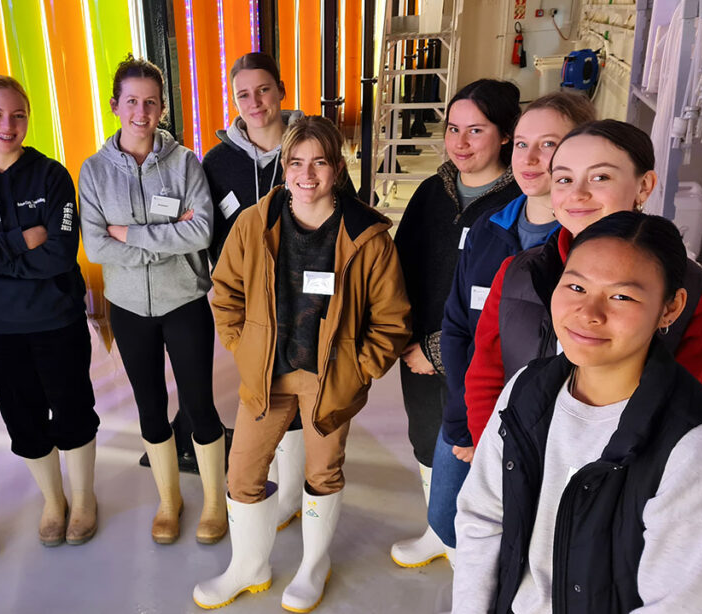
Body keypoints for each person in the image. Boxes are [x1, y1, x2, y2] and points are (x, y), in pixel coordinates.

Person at [453, 211, 702, 613]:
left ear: (671, 308)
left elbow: (680, 603)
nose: (588, 312)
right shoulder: (527, 389)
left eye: (622, 296)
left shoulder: (695, 446)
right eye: (576, 286)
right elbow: (482, 518)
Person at [193, 116, 410, 611]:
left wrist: (360, 368)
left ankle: (314, 564)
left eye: (319, 163)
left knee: (323, 472)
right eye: (295, 162)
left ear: (337, 167)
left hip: (329, 378)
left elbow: (392, 320)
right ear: (284, 168)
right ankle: (248, 567)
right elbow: (224, 291)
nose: (306, 174)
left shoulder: (368, 237)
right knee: (242, 472)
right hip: (267, 373)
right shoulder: (255, 222)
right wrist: (242, 344)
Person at [464, 120, 702, 447]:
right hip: (519, 461)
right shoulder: (517, 273)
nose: (577, 194)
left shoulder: (691, 291)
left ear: (644, 186)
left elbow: (684, 410)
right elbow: (485, 378)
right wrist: (496, 460)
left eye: (600, 177)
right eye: (564, 179)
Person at [0, 75, 100, 547]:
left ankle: (83, 499)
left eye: (18, 114)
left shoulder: (51, 176)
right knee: (22, 417)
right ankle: (53, 499)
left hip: (57, 319)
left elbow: (61, 254)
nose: (8, 124)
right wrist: (19, 241)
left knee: (73, 410)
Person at [428, 92, 597, 555]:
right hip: (471, 412)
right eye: (522, 144)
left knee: (524, 545)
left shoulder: (592, 253)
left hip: (545, 435)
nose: (531, 159)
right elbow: (459, 324)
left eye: (549, 145)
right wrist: (466, 418)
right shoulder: (488, 228)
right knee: (448, 521)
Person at [201, 52, 357, 532]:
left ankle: (293, 494)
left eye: (263, 89)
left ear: (282, 90)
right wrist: (237, 337)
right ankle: (279, 503)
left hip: (314, 309)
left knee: (309, 416)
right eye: (243, 93)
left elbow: (346, 219)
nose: (255, 102)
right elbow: (212, 243)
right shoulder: (217, 161)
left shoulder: (311, 142)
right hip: (256, 313)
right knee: (270, 405)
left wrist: (358, 359)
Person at [77, 55, 225, 546]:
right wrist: (166, 235)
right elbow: (96, 246)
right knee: (150, 406)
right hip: (129, 309)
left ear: (163, 108)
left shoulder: (184, 162)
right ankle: (168, 500)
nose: (142, 111)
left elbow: (202, 231)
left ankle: (214, 502)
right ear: (115, 105)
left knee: (200, 406)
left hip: (184, 301)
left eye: (152, 103)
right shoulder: (95, 171)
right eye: (133, 101)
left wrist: (132, 235)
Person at [391, 79, 523, 568]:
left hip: (484, 361)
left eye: (477, 130)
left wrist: (437, 350)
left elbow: (513, 304)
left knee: (477, 449)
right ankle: (438, 528)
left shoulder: (518, 205)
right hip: (415, 354)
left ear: (506, 135)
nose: (460, 143)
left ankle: (472, 545)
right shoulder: (432, 192)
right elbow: (397, 270)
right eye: (453, 129)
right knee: (427, 438)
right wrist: (405, 341)